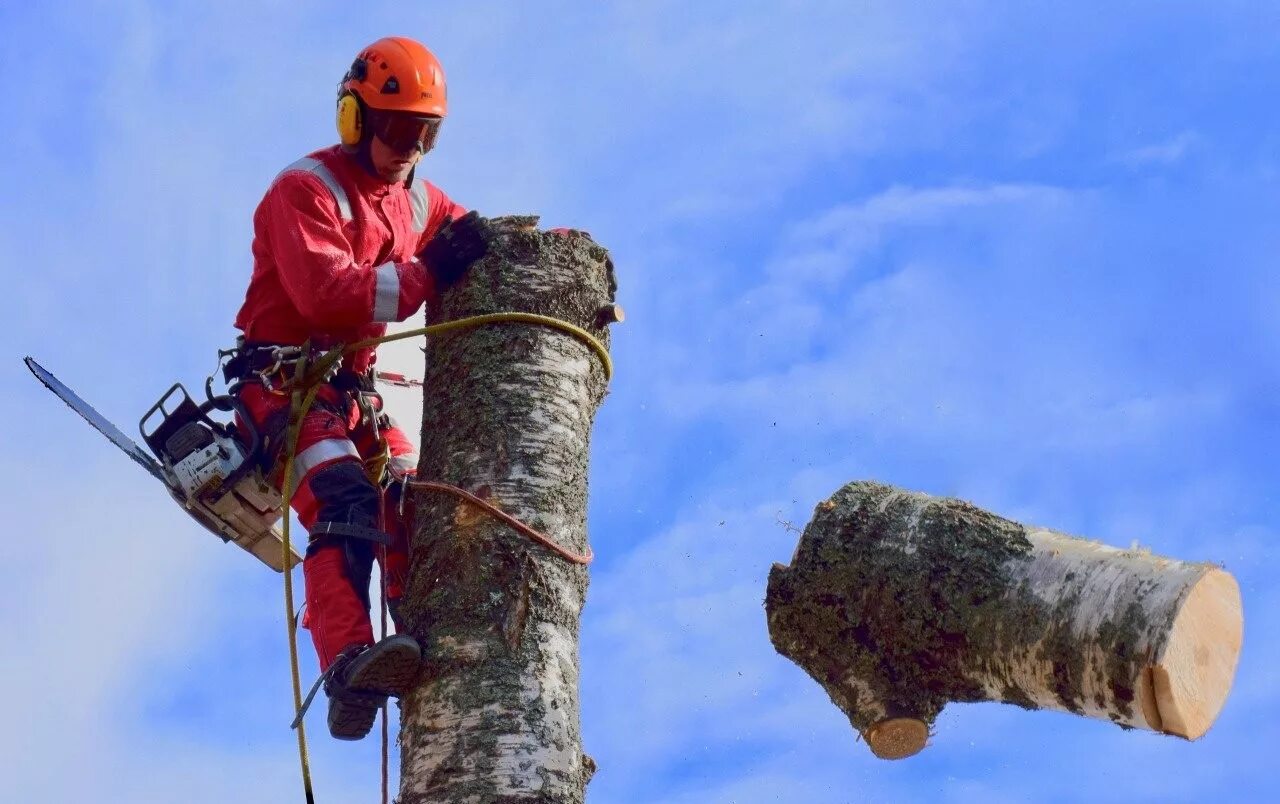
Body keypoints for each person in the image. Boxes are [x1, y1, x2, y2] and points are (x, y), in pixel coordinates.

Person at [228, 36, 492, 740]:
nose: (409, 147)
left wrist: (534, 246)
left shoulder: (414, 201)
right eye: (399, 128)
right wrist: (426, 274)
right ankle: (348, 664)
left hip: (354, 392)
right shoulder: (306, 191)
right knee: (345, 499)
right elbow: (326, 295)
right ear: (356, 118)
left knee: (411, 493)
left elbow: (472, 233)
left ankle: (421, 632)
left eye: (424, 133)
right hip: (285, 390)